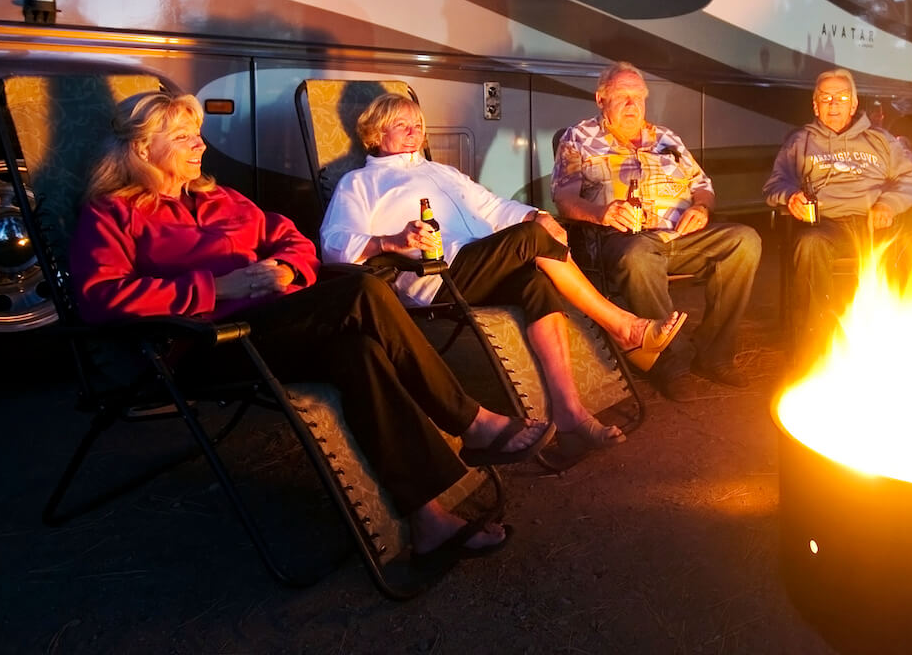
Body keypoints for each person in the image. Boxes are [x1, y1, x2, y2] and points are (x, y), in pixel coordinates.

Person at [69, 90, 551, 563]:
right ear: (141, 148)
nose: (200, 146)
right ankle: (471, 420)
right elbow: (99, 298)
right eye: (183, 137)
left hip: (274, 327)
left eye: (198, 135)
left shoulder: (220, 198)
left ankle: (428, 518)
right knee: (362, 290)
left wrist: (287, 269)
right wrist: (220, 288)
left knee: (358, 352)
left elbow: (294, 240)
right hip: (205, 345)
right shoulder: (113, 213)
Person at [319, 93, 685, 452]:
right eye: (402, 125)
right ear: (376, 134)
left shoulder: (441, 172)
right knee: (531, 239)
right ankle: (624, 327)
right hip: (435, 276)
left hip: (479, 263)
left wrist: (535, 214)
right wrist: (391, 241)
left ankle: (569, 412)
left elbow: (493, 207)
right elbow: (334, 243)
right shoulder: (360, 184)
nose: (414, 132)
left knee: (535, 281)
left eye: (418, 125)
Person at [552, 62, 761, 398]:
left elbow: (703, 185)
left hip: (679, 237)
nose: (633, 105)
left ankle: (714, 353)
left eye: (639, 97)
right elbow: (563, 197)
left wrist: (702, 208)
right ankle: (671, 360)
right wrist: (601, 213)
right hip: (622, 239)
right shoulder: (579, 139)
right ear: (601, 99)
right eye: (623, 97)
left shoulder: (666, 138)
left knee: (744, 240)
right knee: (638, 256)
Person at [763, 68, 912, 364]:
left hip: (874, 223)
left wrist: (888, 205)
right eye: (825, 98)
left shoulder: (881, 141)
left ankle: (901, 344)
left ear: (854, 103)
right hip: (825, 225)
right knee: (809, 244)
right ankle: (815, 348)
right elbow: (774, 184)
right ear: (815, 105)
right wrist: (790, 196)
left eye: (841, 97)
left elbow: (908, 181)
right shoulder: (800, 142)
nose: (833, 104)